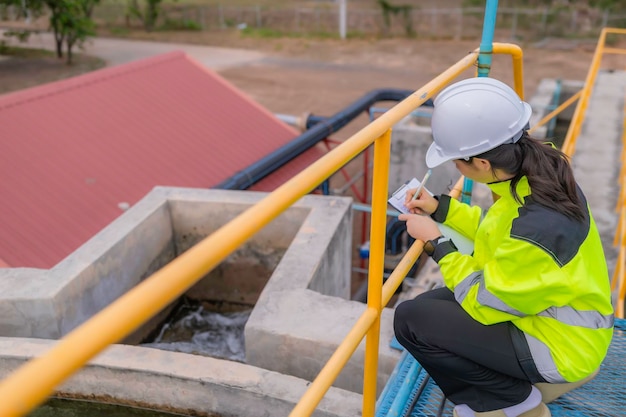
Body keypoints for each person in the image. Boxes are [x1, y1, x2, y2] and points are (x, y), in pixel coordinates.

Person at [393, 77, 614, 417]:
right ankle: (536, 384)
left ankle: (514, 403)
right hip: (562, 325)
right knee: (430, 304)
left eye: (457, 161)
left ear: (482, 163)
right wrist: (441, 208)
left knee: (410, 320)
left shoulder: (534, 228)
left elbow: (485, 301)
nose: (455, 167)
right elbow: (497, 230)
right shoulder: (541, 173)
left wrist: (437, 244)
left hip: (561, 347)